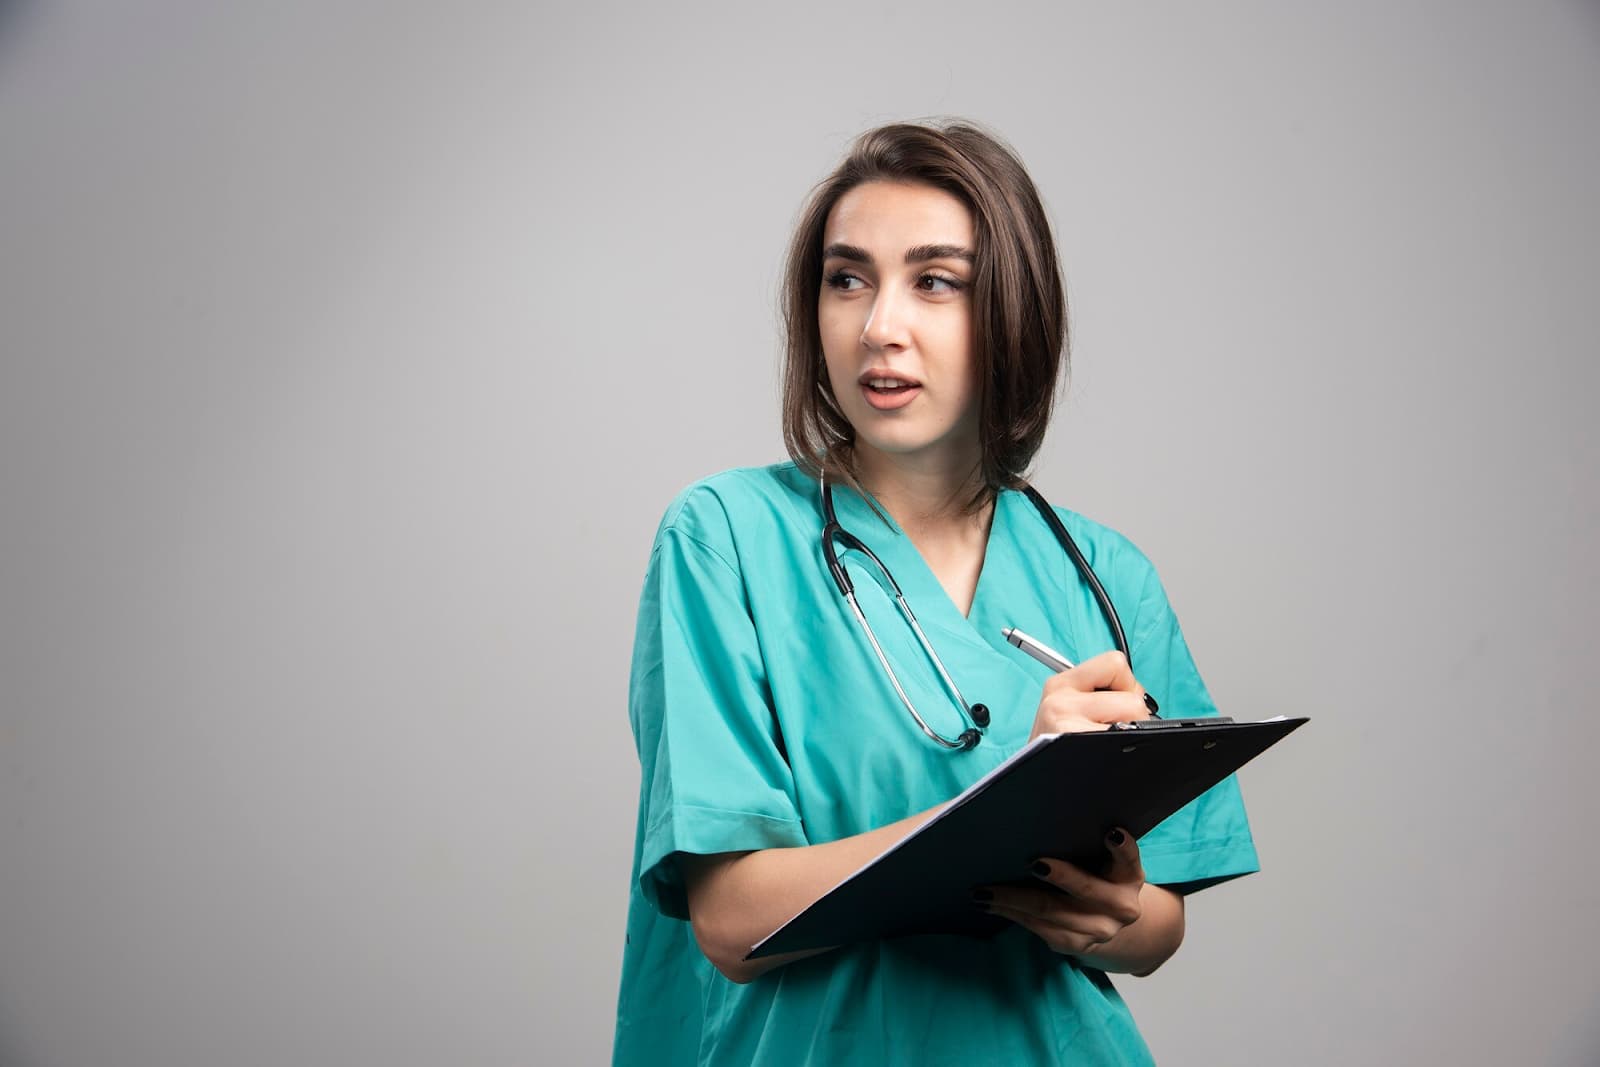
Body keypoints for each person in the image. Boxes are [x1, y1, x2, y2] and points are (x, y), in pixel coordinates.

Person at [612, 118, 1259, 1065]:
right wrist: (1012, 802)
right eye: (847, 278)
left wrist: (1113, 912)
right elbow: (730, 920)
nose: (881, 326)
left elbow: (1159, 925)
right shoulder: (726, 538)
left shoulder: (1104, 573)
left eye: (935, 281)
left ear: (1012, 311)